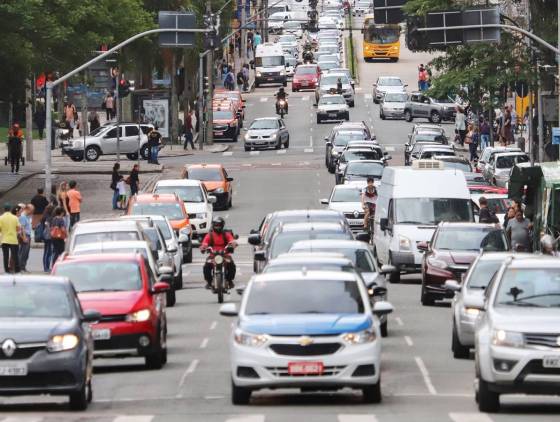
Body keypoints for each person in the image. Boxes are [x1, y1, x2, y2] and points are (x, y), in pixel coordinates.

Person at [200, 217, 237, 290]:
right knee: (206, 267)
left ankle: (229, 281)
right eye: (216, 225)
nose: (217, 227)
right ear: (213, 226)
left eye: (219, 225)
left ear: (222, 226)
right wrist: (204, 247)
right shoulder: (209, 235)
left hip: (225, 255)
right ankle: (209, 282)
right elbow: (204, 243)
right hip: (213, 256)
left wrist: (232, 244)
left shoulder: (226, 234)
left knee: (232, 265)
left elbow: (232, 240)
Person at [0, 203, 21, 273]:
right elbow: (18, 229)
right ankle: (17, 270)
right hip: (13, 239)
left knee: (5, 256)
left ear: (4, 209)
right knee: (15, 256)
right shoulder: (15, 217)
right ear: (10, 209)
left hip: (4, 239)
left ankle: (6, 271)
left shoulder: (1, 217)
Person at [18, 204, 33, 272]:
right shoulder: (23, 216)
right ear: (28, 209)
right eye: (32, 210)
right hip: (25, 235)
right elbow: (22, 228)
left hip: (28, 235)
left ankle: (23, 267)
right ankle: (21, 267)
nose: (32, 211)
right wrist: (24, 237)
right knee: (23, 252)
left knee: (26, 253)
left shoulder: (27, 216)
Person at [41, 205, 54, 272]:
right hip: (48, 236)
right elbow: (47, 225)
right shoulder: (49, 217)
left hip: (45, 236)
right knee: (48, 251)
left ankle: (46, 267)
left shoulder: (44, 216)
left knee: (47, 251)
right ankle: (46, 267)